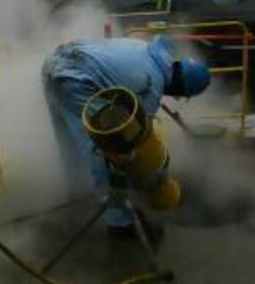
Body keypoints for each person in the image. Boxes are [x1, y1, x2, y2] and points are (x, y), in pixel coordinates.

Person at [41, 35, 210, 235]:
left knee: (69, 140)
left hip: (54, 62)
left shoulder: (146, 50)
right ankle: (119, 221)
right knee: (107, 145)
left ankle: (78, 192)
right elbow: (133, 137)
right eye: (180, 94)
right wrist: (151, 176)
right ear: (182, 87)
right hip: (73, 78)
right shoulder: (151, 84)